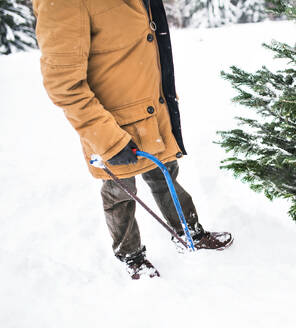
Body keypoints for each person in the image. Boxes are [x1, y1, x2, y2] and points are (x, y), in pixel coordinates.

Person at [33, 0, 233, 280]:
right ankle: (131, 256)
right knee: (119, 191)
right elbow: (63, 85)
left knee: (166, 176)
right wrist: (108, 140)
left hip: (150, 113)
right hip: (110, 126)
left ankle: (188, 232)